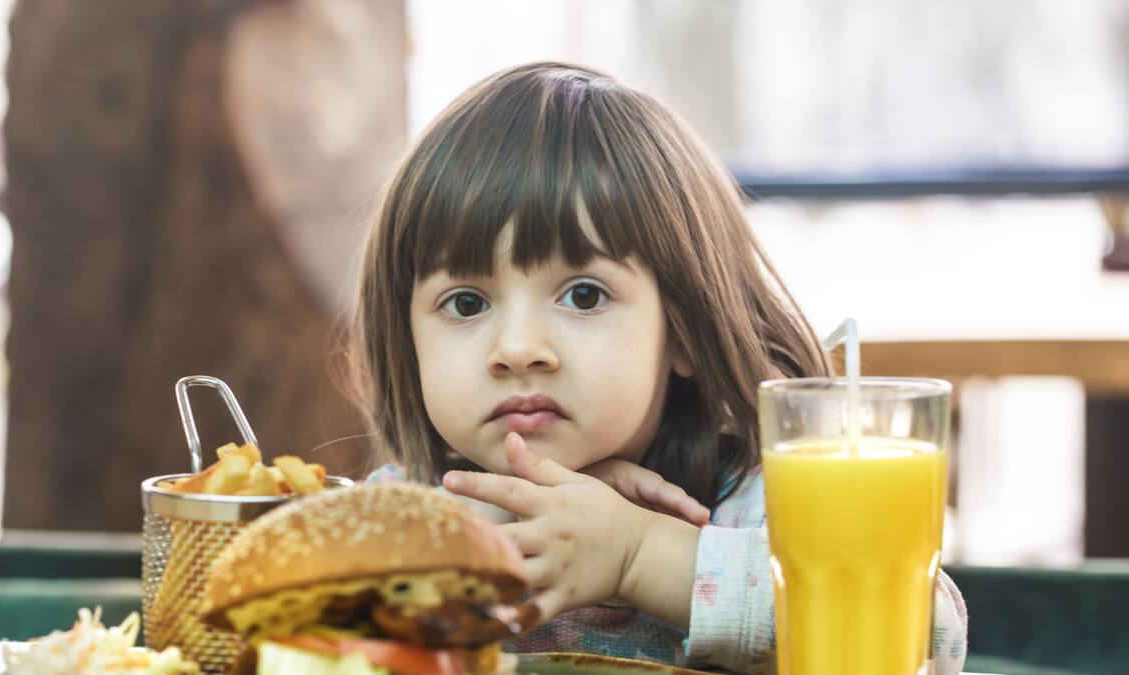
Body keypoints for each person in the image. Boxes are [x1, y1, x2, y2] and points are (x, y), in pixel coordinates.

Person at [348, 62, 968, 674]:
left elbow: (928, 639)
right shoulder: (395, 516)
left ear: (684, 331)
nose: (517, 348)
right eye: (466, 303)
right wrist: (461, 545)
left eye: (584, 295)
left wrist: (643, 554)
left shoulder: (756, 507)